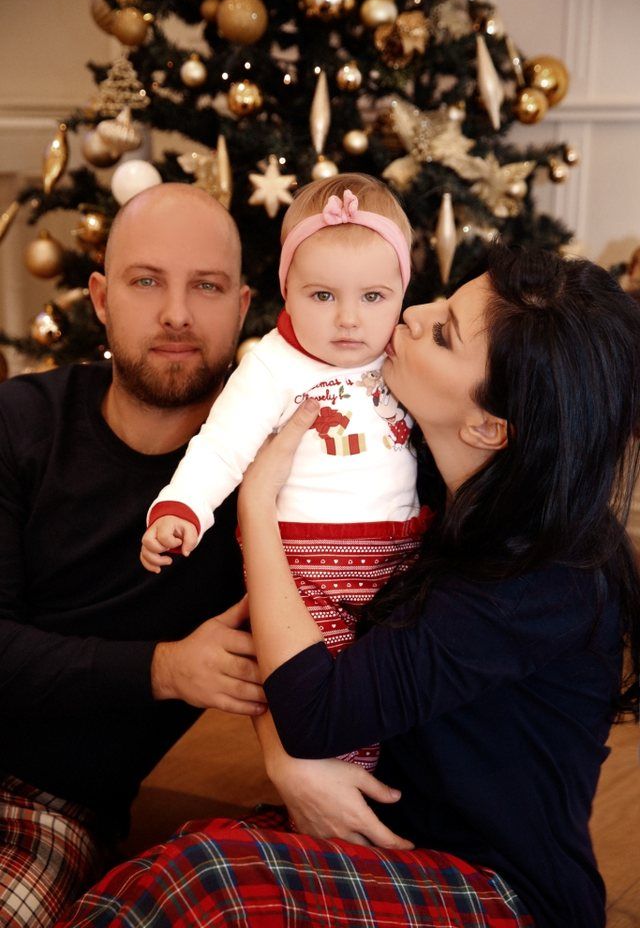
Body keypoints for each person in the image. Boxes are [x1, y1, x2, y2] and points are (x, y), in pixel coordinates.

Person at [59, 244, 640, 928]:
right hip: (392, 842)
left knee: (208, 882)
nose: (412, 312)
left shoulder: (544, 580)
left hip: (500, 891)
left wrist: (258, 503)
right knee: (171, 873)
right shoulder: (420, 489)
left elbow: (313, 710)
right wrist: (290, 767)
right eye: (441, 299)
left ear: (488, 425)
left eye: (445, 333)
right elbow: (296, 628)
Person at [0, 183, 267, 927]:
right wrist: (164, 669)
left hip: (48, 811)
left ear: (242, 307)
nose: (176, 313)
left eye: (206, 286)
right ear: (101, 298)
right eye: (146, 281)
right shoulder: (19, 422)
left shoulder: (269, 483)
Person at [140, 174, 430, 772]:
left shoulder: (400, 354)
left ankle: (388, 805)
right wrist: (182, 506)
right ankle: (325, 805)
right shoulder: (273, 366)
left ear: (402, 292)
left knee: (395, 692)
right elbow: (222, 445)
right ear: (286, 290)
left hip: (402, 556)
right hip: (304, 566)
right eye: (322, 295)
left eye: (373, 297)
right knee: (325, 704)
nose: (349, 320)